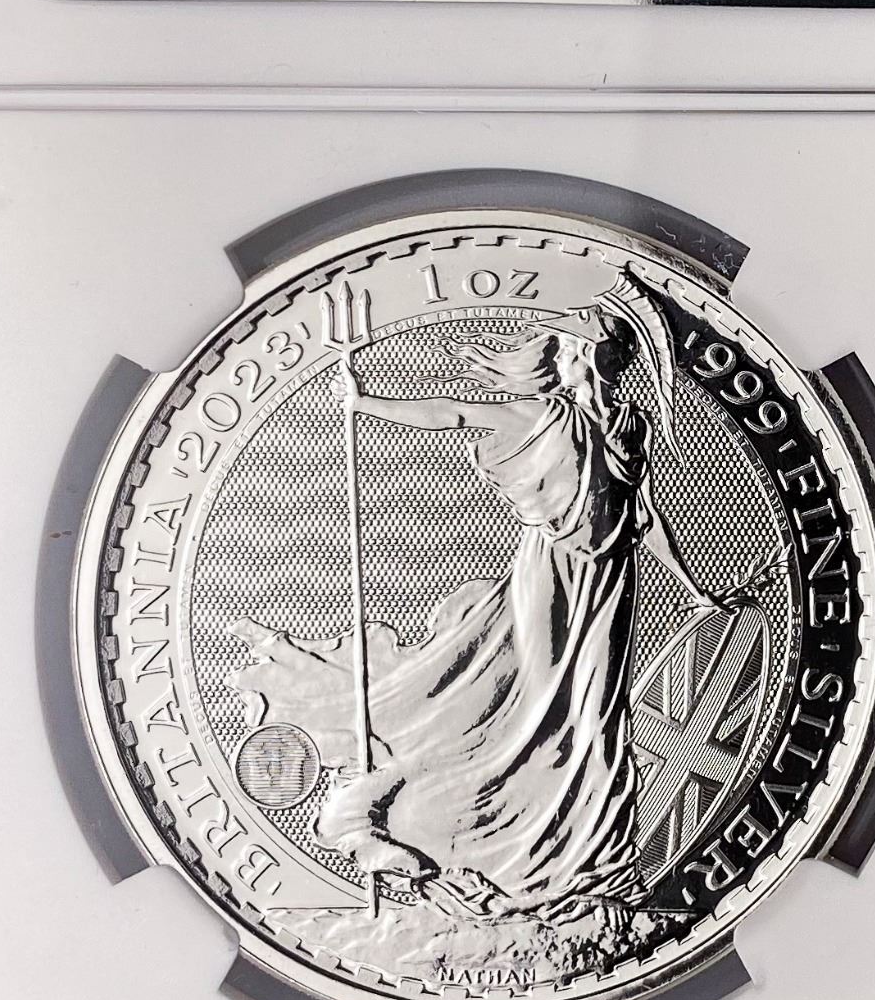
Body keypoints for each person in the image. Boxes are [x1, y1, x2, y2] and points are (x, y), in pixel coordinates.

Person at [229, 275, 735, 923]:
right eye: (593, 348)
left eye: (614, 351)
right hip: (550, 579)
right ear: (569, 355)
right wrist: (366, 401)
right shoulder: (539, 415)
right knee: (538, 710)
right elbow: (451, 411)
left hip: (610, 582)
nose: (603, 361)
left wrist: (692, 586)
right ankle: (453, 833)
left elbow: (642, 514)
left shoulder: (627, 426)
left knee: (597, 714)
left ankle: (592, 862)